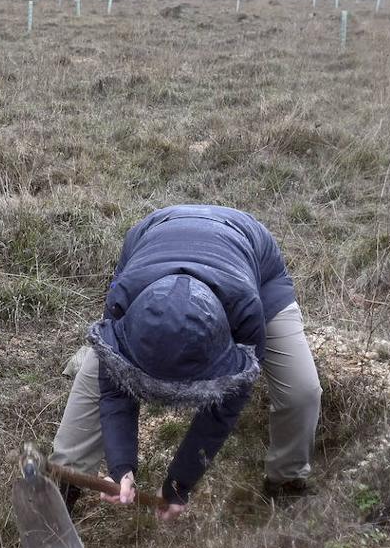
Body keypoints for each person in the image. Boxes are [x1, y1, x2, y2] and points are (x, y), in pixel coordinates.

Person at [51, 205, 322, 521]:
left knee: (301, 393)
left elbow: (226, 405)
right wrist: (121, 466)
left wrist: (179, 483)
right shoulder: (124, 296)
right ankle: (64, 481)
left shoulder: (247, 310)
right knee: (96, 373)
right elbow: (114, 391)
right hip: (154, 239)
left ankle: (286, 480)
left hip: (250, 259)